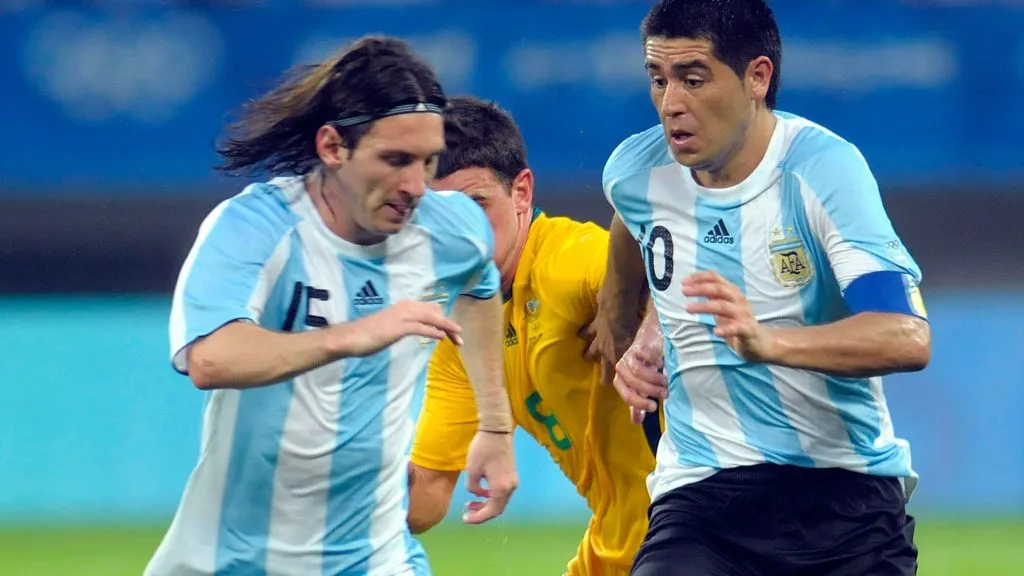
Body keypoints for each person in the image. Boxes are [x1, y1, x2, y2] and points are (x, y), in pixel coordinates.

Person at [144, 37, 518, 576]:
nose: (417, 186)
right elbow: (209, 357)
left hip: (376, 557)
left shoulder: (451, 229)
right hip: (232, 559)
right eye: (395, 160)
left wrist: (495, 426)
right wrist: (349, 335)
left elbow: (480, 287)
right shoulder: (256, 227)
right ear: (333, 147)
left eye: (429, 161)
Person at [591, 1, 932, 575]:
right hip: (701, 498)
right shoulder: (635, 172)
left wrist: (768, 342)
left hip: (845, 496)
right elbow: (631, 230)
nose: (670, 103)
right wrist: (627, 325)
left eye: (693, 79)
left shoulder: (824, 170)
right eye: (658, 79)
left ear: (757, 76)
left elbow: (906, 336)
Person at [404, 96, 657, 576]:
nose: (459, 233)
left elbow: (669, 278)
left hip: (696, 535)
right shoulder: (461, 335)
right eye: (436, 215)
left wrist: (637, 322)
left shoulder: (567, 261)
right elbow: (426, 499)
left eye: (476, 204)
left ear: (521, 192)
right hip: (617, 547)